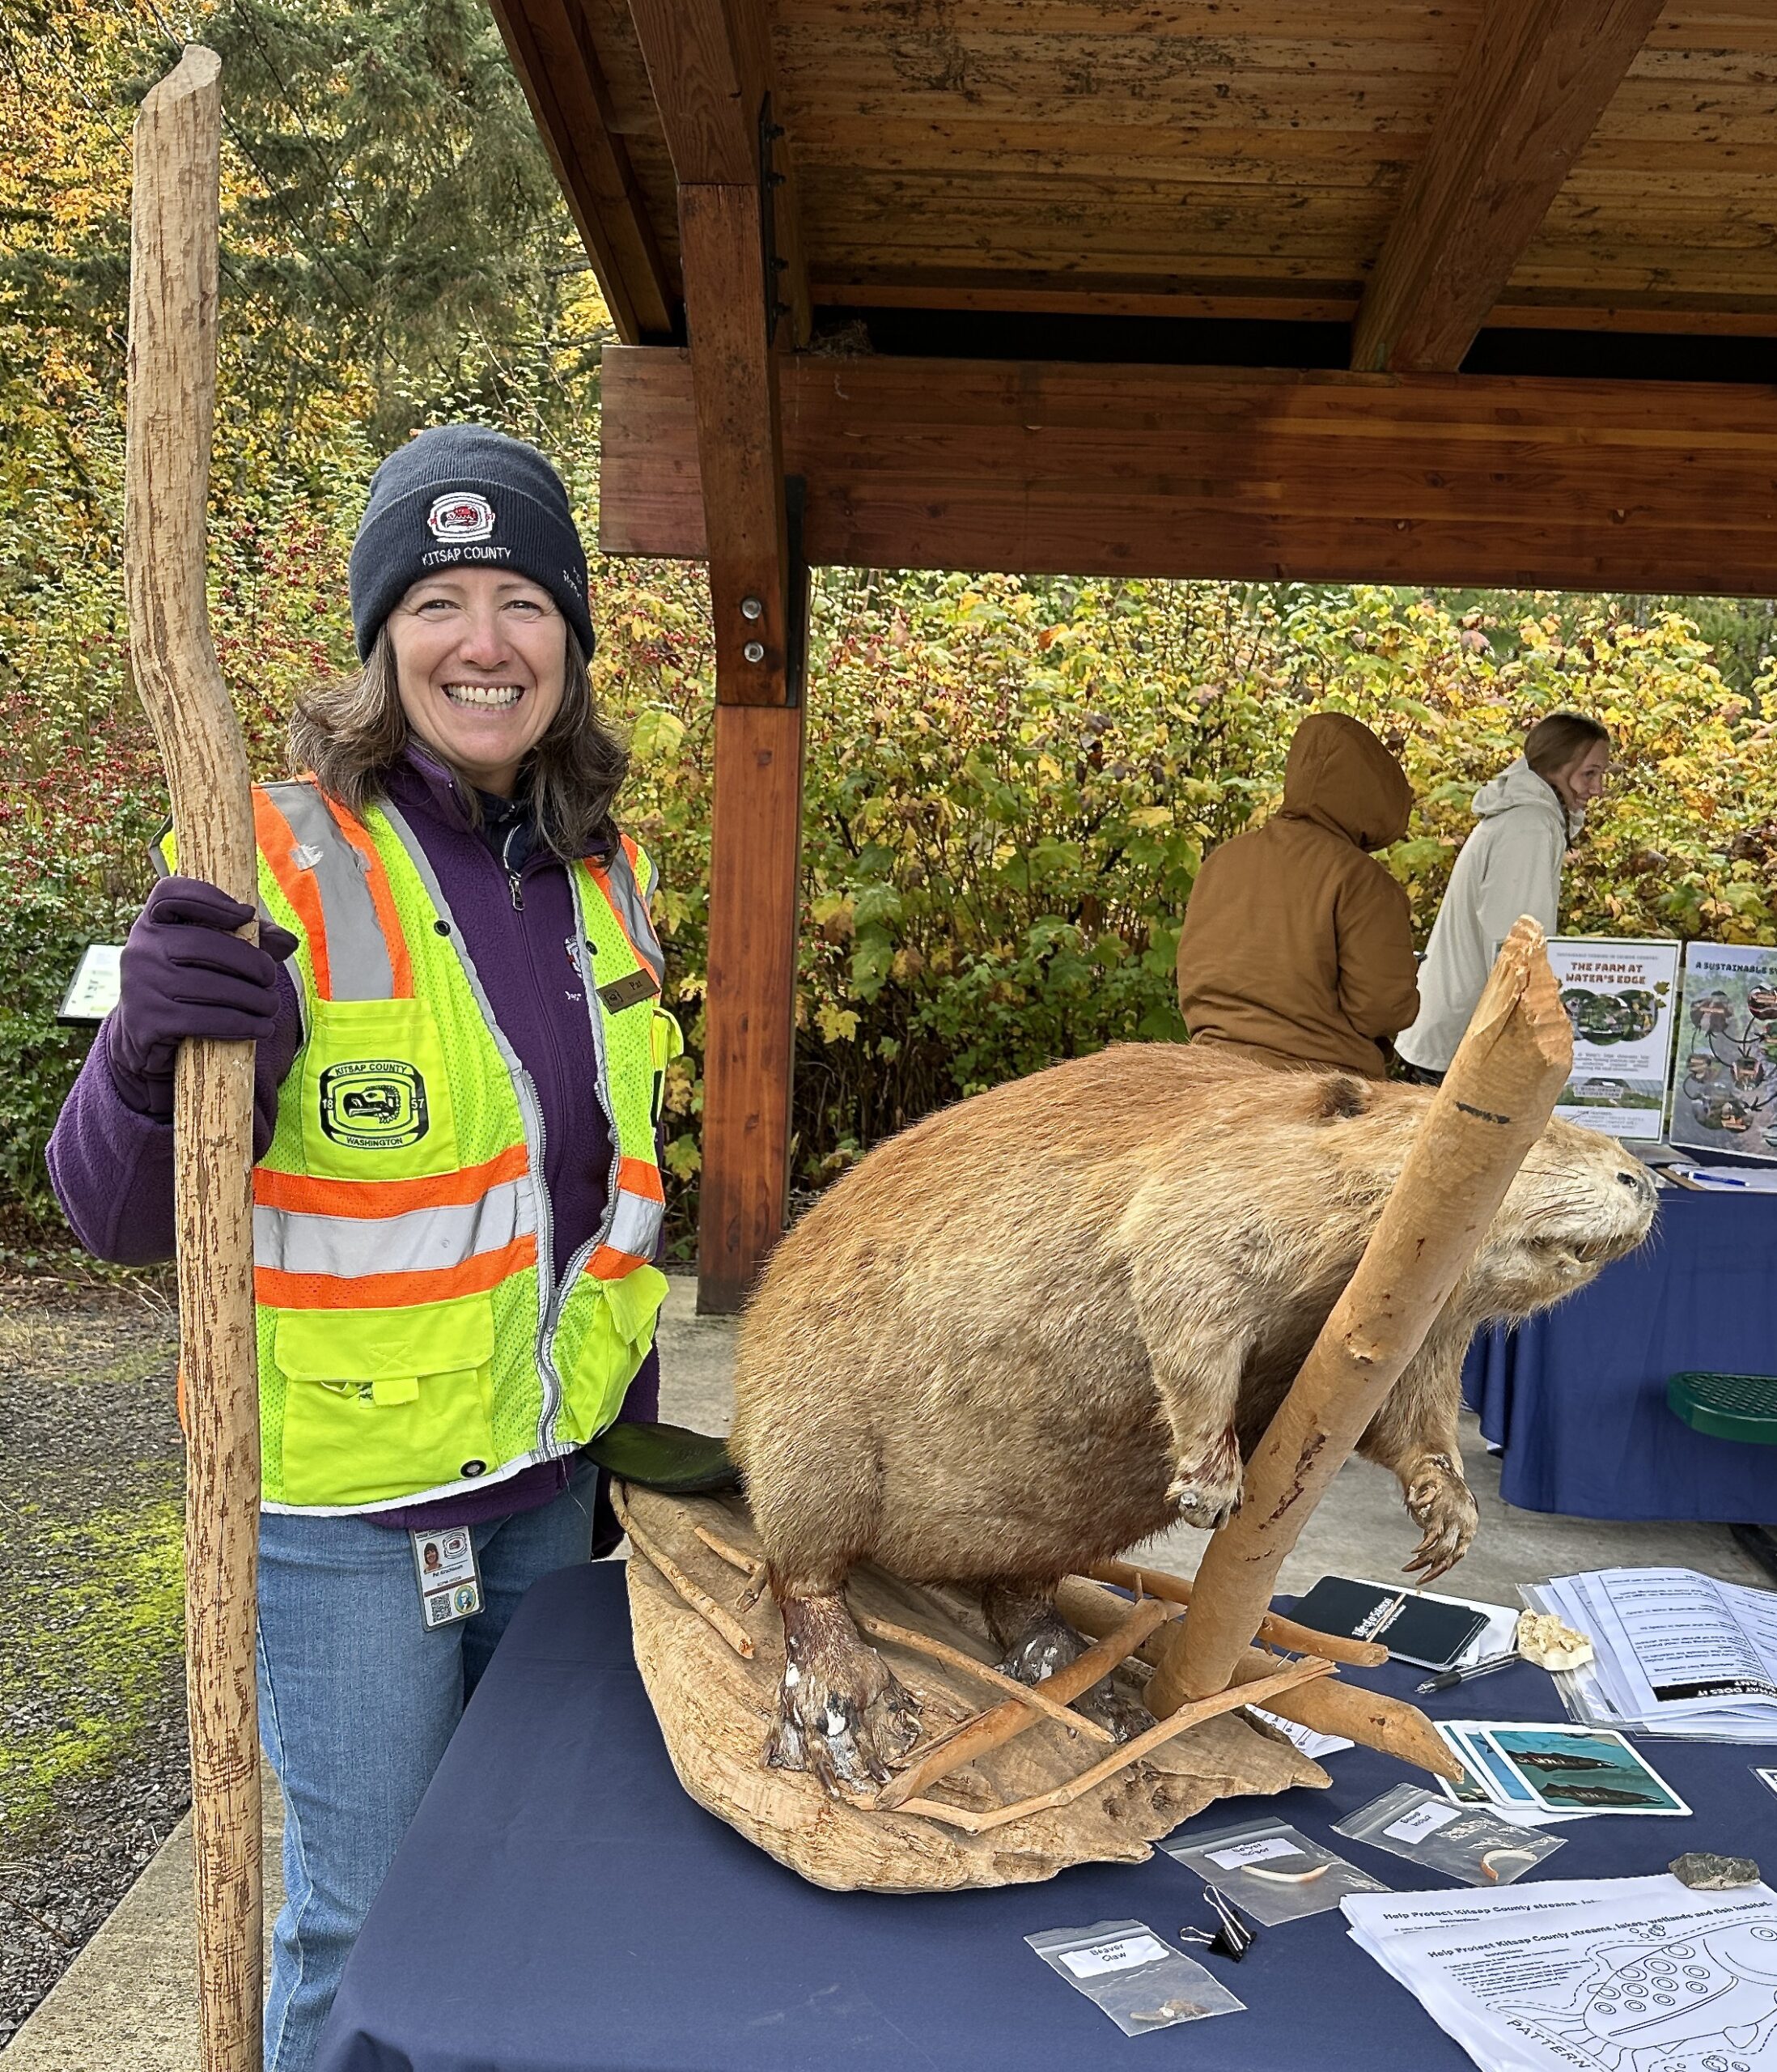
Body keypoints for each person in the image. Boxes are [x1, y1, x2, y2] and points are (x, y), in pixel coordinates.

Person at [47, 426, 677, 2071]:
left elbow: (606, 1194)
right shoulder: (261, 860)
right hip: (340, 1522)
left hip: (546, 1495)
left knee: (515, 1886)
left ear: (572, 642)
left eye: (526, 599)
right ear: (383, 641)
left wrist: (630, 1449)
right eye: (441, 599)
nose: (485, 639)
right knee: (367, 1908)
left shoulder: (607, 871)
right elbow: (113, 1213)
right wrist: (142, 1052)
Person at [1176, 710, 1419, 1078]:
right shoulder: (1360, 879)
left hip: (1214, 1075)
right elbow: (1383, 1008)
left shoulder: (1223, 859)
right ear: (1377, 793)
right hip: (1321, 1091)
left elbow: (1196, 977)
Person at [1396, 711, 1609, 1083]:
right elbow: (1515, 947)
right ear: (1554, 768)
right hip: (1467, 1042)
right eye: (1589, 773)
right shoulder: (1530, 826)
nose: (1598, 789)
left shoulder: (1524, 818)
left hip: (1459, 1031)